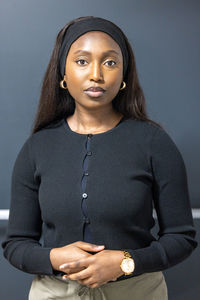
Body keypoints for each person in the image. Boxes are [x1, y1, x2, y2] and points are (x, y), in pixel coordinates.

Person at [1, 16, 198, 300]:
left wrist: (124, 262)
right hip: (55, 293)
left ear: (124, 77)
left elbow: (182, 238)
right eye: (82, 61)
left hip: (137, 292)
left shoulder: (154, 143)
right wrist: (55, 258)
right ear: (63, 74)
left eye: (110, 62)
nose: (96, 74)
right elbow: (16, 244)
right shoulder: (37, 147)